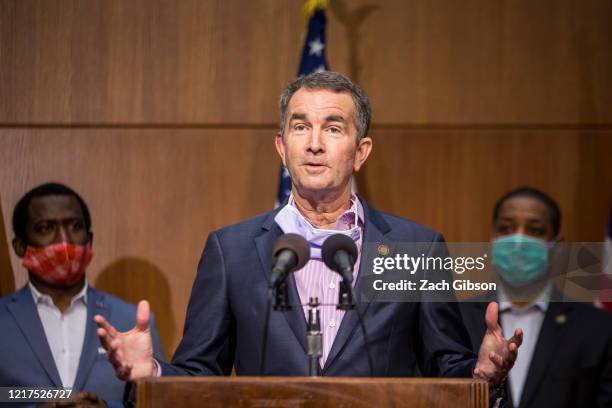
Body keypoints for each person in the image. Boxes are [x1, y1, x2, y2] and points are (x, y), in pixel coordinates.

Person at [96, 71, 521, 391]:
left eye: (333, 128)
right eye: (300, 127)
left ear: (360, 151)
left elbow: (446, 368)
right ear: (282, 147)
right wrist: (149, 374)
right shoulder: (233, 250)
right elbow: (199, 375)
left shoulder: (416, 248)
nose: (314, 143)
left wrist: (481, 374)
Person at [0, 182, 165, 407]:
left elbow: (158, 401)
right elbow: (4, 394)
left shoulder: (132, 321)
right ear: (20, 246)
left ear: (90, 240)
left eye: (75, 226)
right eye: (45, 228)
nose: (64, 240)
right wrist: (38, 402)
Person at [460, 187, 612, 407]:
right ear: (493, 239)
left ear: (557, 246)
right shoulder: (455, 319)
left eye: (534, 231)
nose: (519, 241)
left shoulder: (599, 328)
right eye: (506, 229)